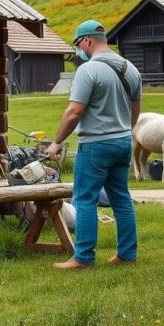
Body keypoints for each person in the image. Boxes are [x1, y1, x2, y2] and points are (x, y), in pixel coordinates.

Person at [46, 19, 141, 269]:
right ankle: (127, 255)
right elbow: (135, 110)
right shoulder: (130, 68)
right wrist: (123, 132)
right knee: (121, 198)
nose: (79, 50)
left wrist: (56, 142)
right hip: (122, 142)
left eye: (78, 44)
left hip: (96, 145)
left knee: (84, 198)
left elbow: (74, 112)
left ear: (86, 41)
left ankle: (83, 258)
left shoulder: (88, 71)